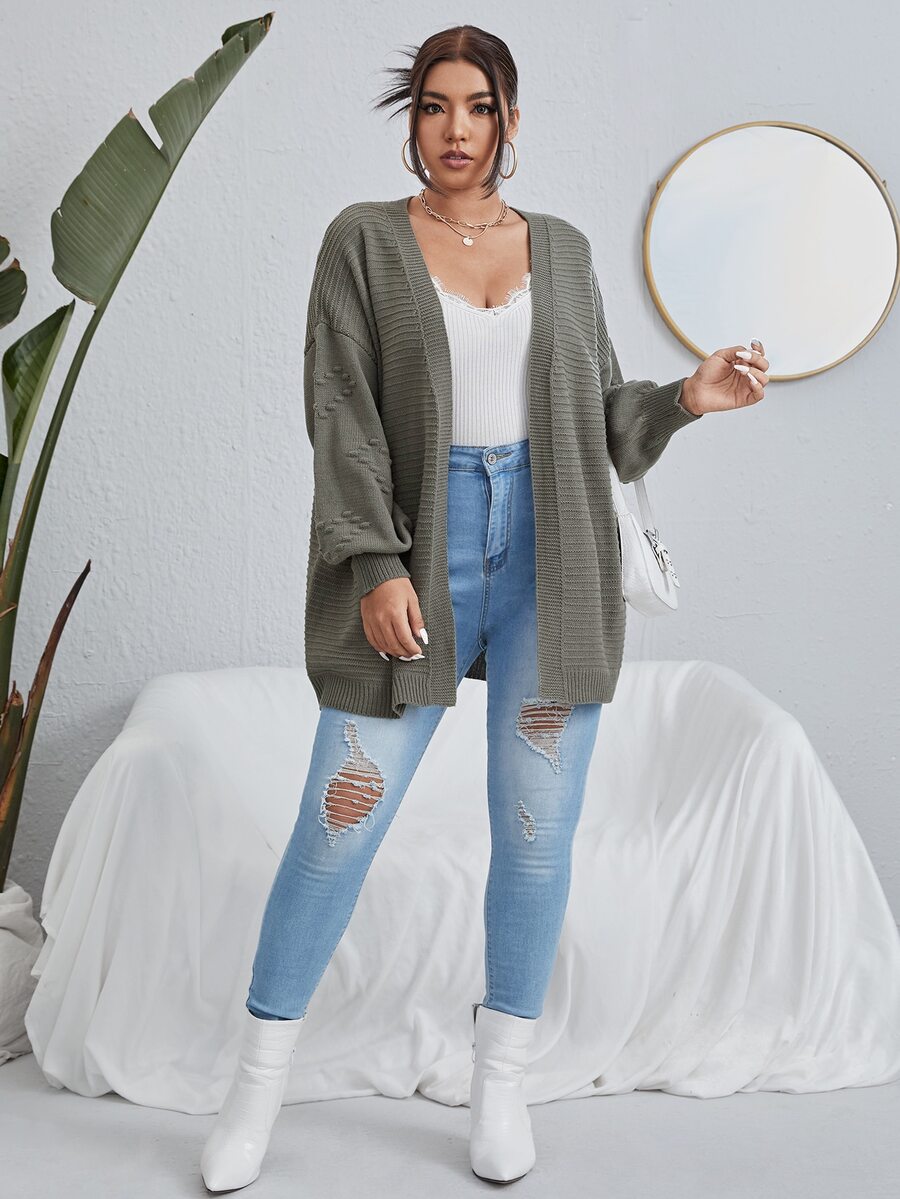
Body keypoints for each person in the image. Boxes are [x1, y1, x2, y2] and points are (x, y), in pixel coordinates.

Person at [200, 24, 768, 1193]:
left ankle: (500, 1086)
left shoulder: (561, 248)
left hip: (554, 557)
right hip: (422, 544)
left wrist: (688, 398)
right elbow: (341, 409)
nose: (454, 129)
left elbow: (601, 418)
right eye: (433, 106)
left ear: (510, 119)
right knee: (339, 822)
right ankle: (253, 1084)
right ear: (410, 119)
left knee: (536, 832)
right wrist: (376, 562)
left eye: (477, 106)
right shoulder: (363, 240)